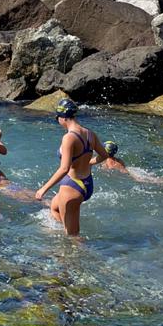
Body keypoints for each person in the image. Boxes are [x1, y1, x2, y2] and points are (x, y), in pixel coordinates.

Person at [36, 98, 108, 236]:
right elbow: (104, 155)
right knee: (54, 207)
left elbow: (64, 168)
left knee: (73, 236)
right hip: (87, 183)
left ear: (63, 117)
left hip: (72, 186)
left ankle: (82, 255)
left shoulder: (69, 137)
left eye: (57, 118)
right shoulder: (90, 133)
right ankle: (61, 234)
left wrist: (43, 189)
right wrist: (89, 163)